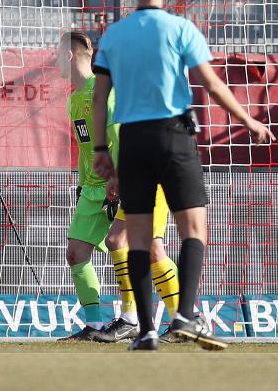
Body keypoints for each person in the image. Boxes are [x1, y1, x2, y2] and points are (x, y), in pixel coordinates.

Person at [92, 0, 273, 351]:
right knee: (193, 230)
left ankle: (146, 331)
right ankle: (184, 315)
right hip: (174, 135)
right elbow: (211, 85)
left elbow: (99, 95)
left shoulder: (112, 37)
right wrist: (249, 120)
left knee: (137, 238)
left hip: (134, 141)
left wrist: (102, 148)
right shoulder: (181, 28)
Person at [56, 31, 179, 343]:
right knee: (76, 252)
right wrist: (86, 186)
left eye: (57, 53)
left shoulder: (106, 92)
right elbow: (88, 148)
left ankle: (148, 318)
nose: (54, 61)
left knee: (134, 244)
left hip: (133, 174)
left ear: (69, 55)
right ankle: (96, 324)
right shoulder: (74, 98)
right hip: (96, 186)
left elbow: (122, 140)